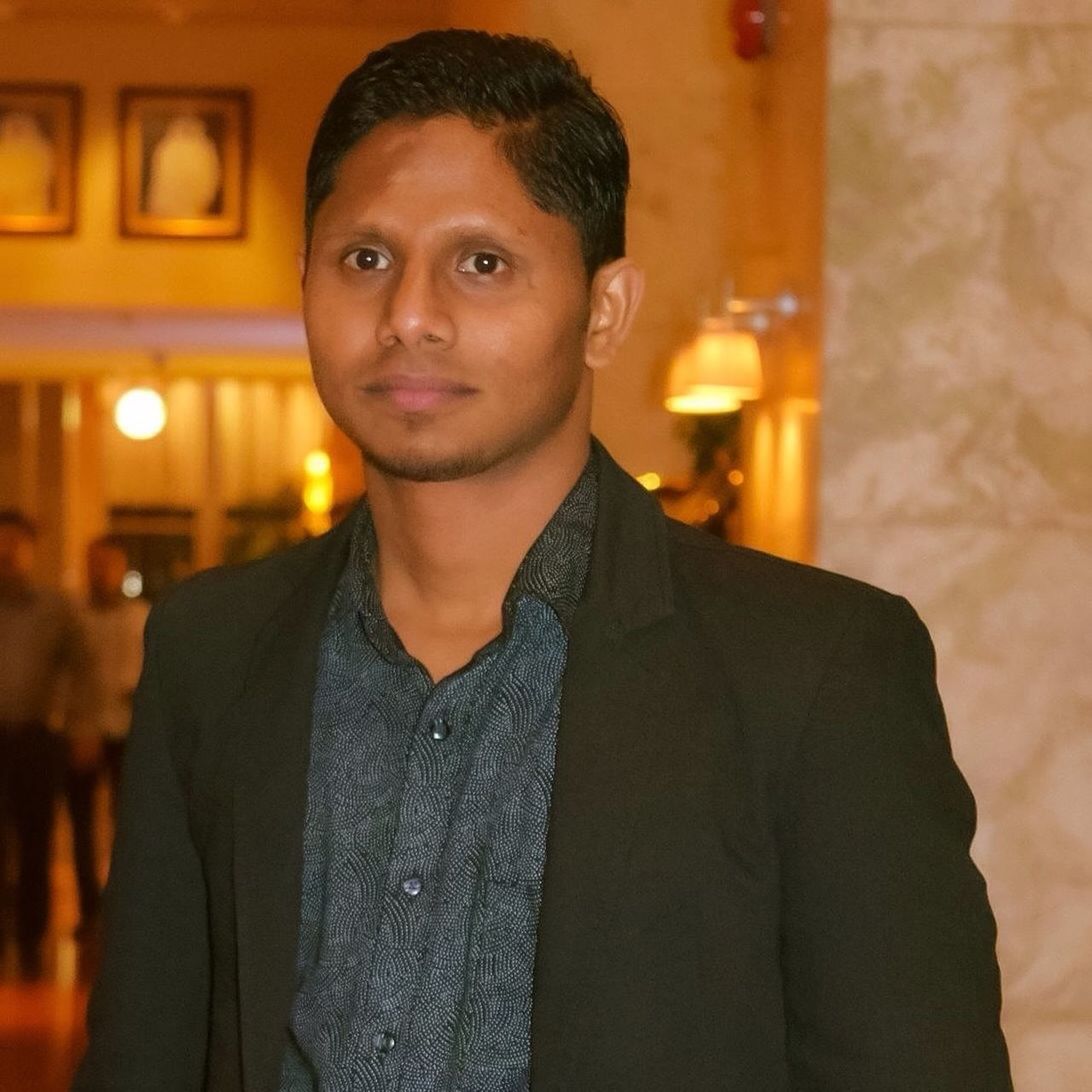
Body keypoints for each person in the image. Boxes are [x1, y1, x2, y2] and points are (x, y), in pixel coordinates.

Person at [76, 30, 1012, 1090]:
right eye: (366, 259)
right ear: (306, 285)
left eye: (483, 263)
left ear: (603, 310)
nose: (410, 316)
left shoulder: (814, 670)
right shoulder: (214, 649)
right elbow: (141, 1058)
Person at [0, 510, 95, 978]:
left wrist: (81, 726)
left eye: (16, 543)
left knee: (36, 841)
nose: (7, 553)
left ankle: (31, 936)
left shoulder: (55, 610)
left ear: (30, 550)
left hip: (37, 738)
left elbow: (84, 670)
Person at [64, 536, 149, 937]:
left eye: (109, 564)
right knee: (82, 828)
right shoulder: (73, 621)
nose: (101, 573)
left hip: (131, 735)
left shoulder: (144, 618)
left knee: (131, 824)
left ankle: (123, 909)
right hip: (84, 731)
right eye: (94, 564)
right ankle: (90, 911)